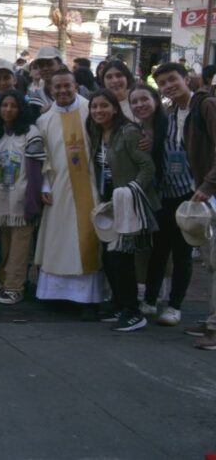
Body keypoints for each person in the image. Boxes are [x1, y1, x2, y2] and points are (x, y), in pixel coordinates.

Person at [144, 63, 216, 333]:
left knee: (188, 253)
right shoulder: (170, 113)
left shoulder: (206, 106)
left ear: (186, 79)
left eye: (172, 79)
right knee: (162, 250)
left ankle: (178, 308)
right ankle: (153, 302)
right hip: (170, 193)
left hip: (198, 193)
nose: (168, 86)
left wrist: (208, 185)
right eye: (162, 83)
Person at [84, 89, 157, 332]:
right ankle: (119, 304)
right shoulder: (97, 132)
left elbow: (147, 167)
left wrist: (131, 190)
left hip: (127, 202)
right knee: (109, 256)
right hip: (109, 203)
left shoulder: (128, 132)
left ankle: (133, 311)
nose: (98, 110)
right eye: (94, 106)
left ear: (115, 108)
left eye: (104, 105)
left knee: (121, 258)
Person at [34, 69, 104, 311]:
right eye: (58, 87)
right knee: (57, 240)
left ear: (75, 86)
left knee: (87, 239)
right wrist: (45, 185)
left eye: (67, 85)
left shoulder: (91, 110)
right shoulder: (44, 120)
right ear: (51, 89)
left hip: (90, 186)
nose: (63, 90)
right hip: (58, 187)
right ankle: (55, 296)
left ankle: (86, 299)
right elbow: (42, 155)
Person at [0, 91, 44, 305]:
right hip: (0, 199)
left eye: (13, 105)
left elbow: (36, 170)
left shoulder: (31, 133)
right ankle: (3, 280)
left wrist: (32, 201)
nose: (8, 109)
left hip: (22, 199)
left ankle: (14, 287)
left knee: (20, 248)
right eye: (4, 105)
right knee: (5, 247)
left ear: (21, 109)